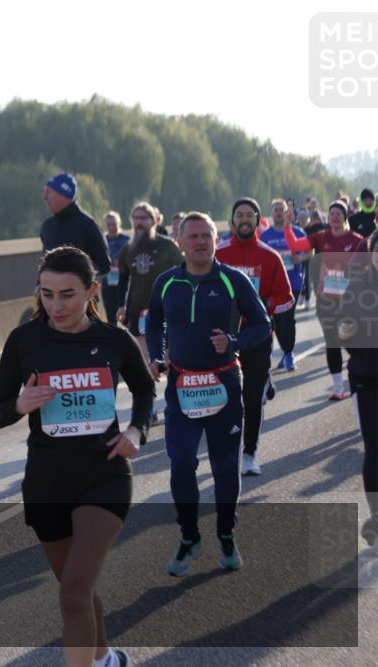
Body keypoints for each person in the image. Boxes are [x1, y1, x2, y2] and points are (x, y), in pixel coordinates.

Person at [0, 246, 152, 667]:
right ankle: (105, 658)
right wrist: (20, 405)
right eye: (46, 294)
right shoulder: (24, 340)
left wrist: (137, 429)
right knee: (77, 589)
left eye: (67, 294)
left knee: (74, 592)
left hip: (104, 474)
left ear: (92, 291)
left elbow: (145, 388)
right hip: (47, 482)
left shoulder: (113, 339)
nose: (55, 305)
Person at [146, 212, 271, 576]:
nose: (200, 242)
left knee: (225, 468)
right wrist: (156, 354)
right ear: (180, 242)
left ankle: (226, 534)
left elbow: (262, 324)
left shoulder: (233, 280)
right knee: (182, 462)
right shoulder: (166, 282)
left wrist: (233, 341)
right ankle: (189, 537)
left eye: (207, 236)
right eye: (193, 236)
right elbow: (153, 322)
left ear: (217, 240)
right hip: (182, 386)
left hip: (224, 385)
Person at [216, 198, 294, 477]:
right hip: (223, 337)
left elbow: (286, 298)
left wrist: (264, 307)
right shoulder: (218, 255)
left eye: (250, 215)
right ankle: (226, 451)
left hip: (257, 336)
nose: (244, 219)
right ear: (233, 220)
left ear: (258, 220)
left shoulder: (270, 256)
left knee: (251, 398)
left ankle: (249, 453)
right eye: (239, 215)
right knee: (225, 399)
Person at [284, 201, 368, 400]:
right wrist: (287, 226)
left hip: (350, 301)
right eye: (332, 214)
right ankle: (338, 387)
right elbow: (295, 245)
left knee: (352, 341)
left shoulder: (357, 241)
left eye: (338, 213)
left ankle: (363, 378)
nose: (335, 217)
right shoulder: (321, 237)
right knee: (332, 341)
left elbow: (368, 268)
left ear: (345, 217)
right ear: (328, 218)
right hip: (326, 300)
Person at [115, 202, 183, 407]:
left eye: (143, 218)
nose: (139, 222)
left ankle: (176, 400)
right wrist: (121, 305)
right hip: (138, 311)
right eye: (135, 218)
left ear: (154, 221)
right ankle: (149, 407)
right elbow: (123, 279)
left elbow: (185, 271)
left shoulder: (167, 246)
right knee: (145, 361)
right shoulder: (127, 249)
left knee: (170, 360)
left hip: (166, 310)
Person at [335, 231, 378, 545]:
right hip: (367, 378)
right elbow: (341, 326)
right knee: (374, 449)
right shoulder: (358, 287)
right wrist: (345, 330)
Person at [260, 199, 308, 371]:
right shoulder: (265, 236)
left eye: (282, 210)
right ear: (271, 213)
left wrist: (300, 258)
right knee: (276, 320)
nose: (279, 213)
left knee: (287, 319)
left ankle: (288, 353)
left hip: (293, 282)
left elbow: (311, 251)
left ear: (287, 213)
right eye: (276, 210)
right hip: (273, 285)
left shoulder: (298, 232)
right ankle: (285, 350)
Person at [39, 171, 111, 275]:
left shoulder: (88, 225)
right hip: (51, 285)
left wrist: (76, 275)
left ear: (64, 194)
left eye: (48, 192)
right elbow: (45, 264)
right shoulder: (48, 226)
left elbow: (104, 265)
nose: (44, 197)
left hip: (80, 285)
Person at [101, 212, 130, 325]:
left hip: (124, 279)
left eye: (114, 224)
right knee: (110, 312)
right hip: (108, 280)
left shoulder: (127, 240)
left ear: (119, 223)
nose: (112, 227)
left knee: (126, 312)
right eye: (109, 225)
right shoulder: (103, 241)